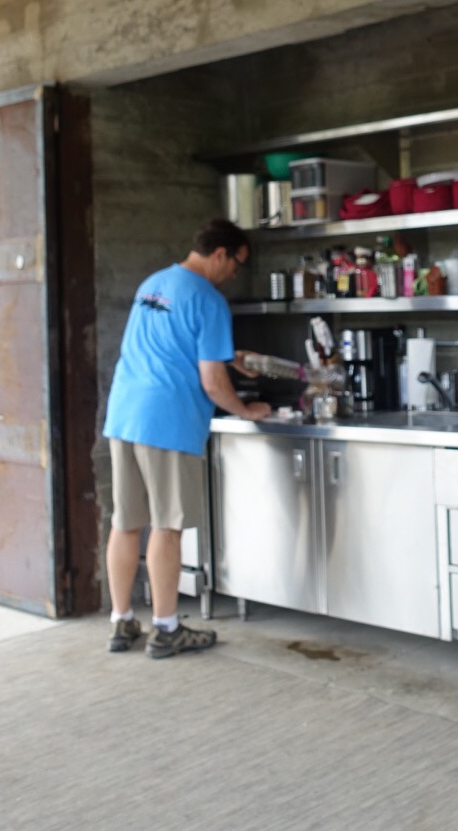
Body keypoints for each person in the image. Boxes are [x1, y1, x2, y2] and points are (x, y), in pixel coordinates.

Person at [102, 218, 271, 658]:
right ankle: (166, 629)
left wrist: (229, 356)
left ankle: (121, 621)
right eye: (236, 264)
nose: (234, 274)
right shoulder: (209, 300)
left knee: (125, 522)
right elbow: (212, 384)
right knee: (167, 525)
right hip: (167, 419)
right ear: (220, 253)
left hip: (125, 413)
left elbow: (169, 343)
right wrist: (247, 410)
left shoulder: (153, 284)